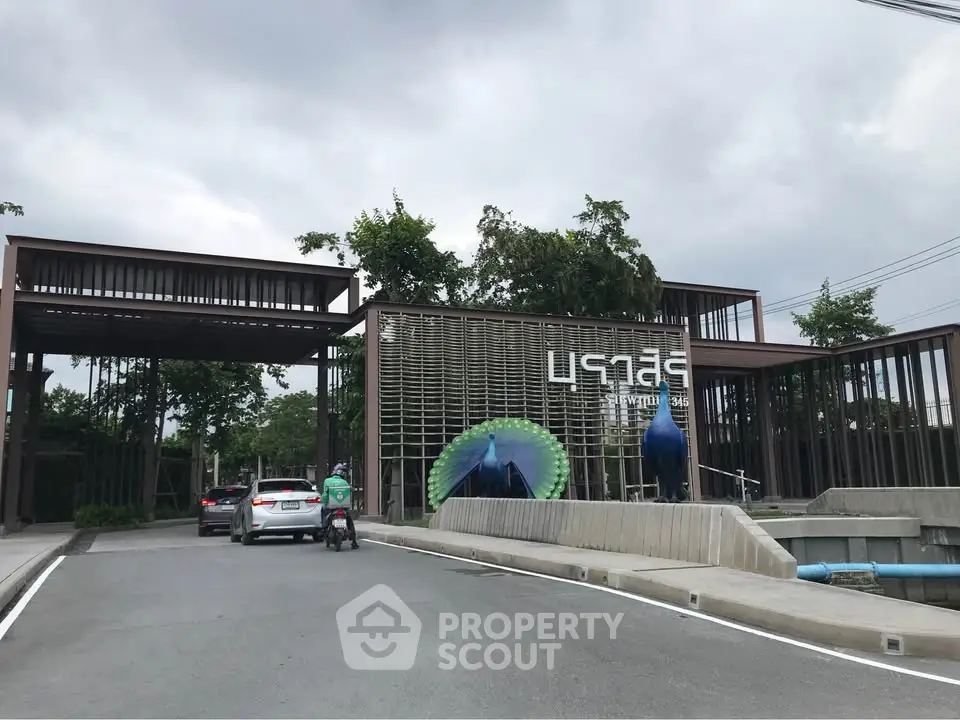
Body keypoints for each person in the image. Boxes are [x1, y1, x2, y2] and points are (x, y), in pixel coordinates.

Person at [321, 463, 358, 549]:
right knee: (349, 521)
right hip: (343, 506)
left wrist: (324, 502)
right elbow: (349, 492)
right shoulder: (344, 482)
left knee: (323, 510)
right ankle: (354, 541)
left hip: (330, 506)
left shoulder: (327, 481)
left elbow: (325, 494)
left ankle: (323, 529)